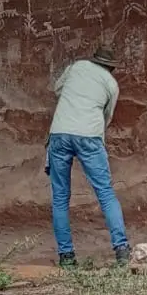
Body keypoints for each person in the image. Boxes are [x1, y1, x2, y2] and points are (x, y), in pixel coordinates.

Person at [46, 45, 130, 268]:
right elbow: (107, 116)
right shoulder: (111, 84)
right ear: (111, 67)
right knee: (105, 192)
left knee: (60, 197)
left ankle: (66, 257)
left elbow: (57, 90)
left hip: (60, 133)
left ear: (95, 60)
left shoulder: (77, 67)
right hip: (90, 137)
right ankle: (122, 250)